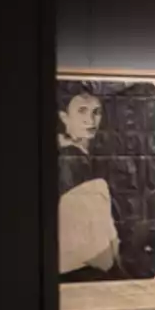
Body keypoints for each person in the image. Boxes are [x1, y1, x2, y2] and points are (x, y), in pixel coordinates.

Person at [58, 85, 121, 278]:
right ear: (64, 117)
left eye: (96, 112)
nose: (90, 120)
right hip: (80, 268)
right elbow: (92, 239)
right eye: (82, 111)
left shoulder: (83, 156)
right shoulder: (70, 159)